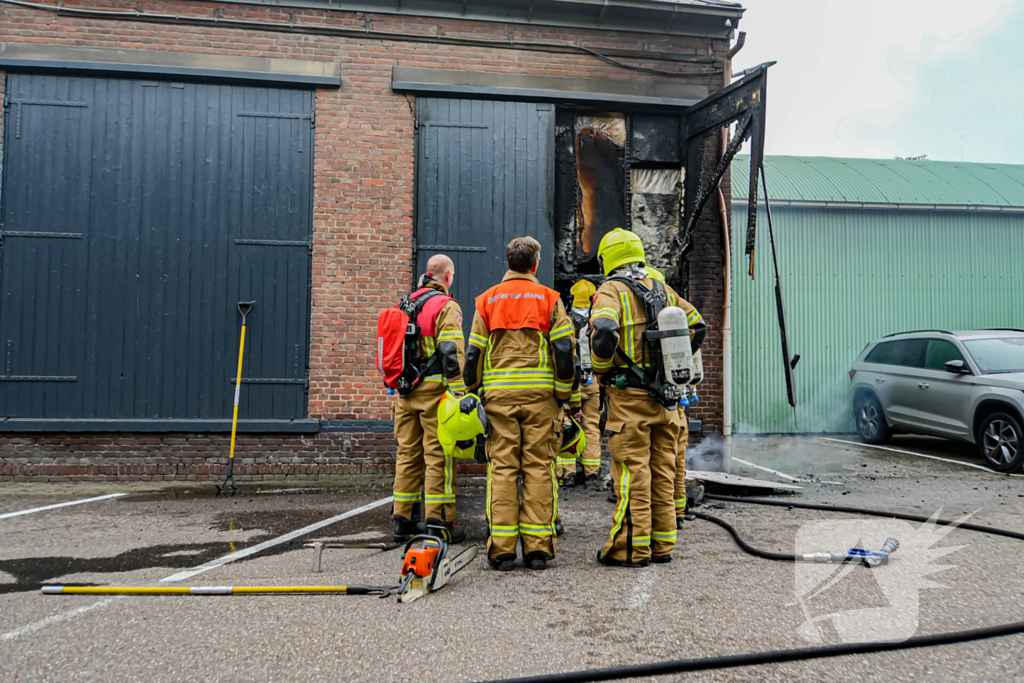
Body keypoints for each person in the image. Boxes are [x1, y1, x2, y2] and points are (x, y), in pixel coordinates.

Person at [589, 229, 704, 566]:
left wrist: (601, 368)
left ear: (608, 259)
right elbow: (697, 325)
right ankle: (662, 545)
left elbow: (604, 329)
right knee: (663, 474)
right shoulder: (663, 289)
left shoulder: (611, 290)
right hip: (666, 401)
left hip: (630, 401)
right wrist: (672, 367)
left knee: (633, 474)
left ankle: (631, 549)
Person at [464, 237, 577, 571]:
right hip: (541, 399)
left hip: (499, 398)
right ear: (535, 264)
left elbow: (473, 355)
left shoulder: (487, 300)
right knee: (539, 468)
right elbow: (564, 351)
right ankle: (538, 550)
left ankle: (501, 551)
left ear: (509, 263)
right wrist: (562, 395)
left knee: (502, 469)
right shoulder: (549, 299)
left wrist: (473, 391)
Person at [390, 254, 467, 543]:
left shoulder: (404, 304)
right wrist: (459, 390)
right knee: (439, 456)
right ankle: (439, 522)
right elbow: (450, 349)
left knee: (408, 454)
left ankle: (404, 520)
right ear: (447, 276)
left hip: (405, 391)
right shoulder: (446, 305)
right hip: (434, 392)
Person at [647, 266, 704, 528]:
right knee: (676, 462)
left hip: (658, 400)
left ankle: (661, 515)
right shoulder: (681, 324)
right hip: (678, 404)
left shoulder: (659, 324)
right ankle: (677, 512)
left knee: (657, 465)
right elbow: (699, 328)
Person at [557, 279, 603, 486]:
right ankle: (592, 471)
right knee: (591, 425)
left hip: (571, 382)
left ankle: (567, 472)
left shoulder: (565, 320)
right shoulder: (598, 321)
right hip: (592, 381)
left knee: (566, 424)